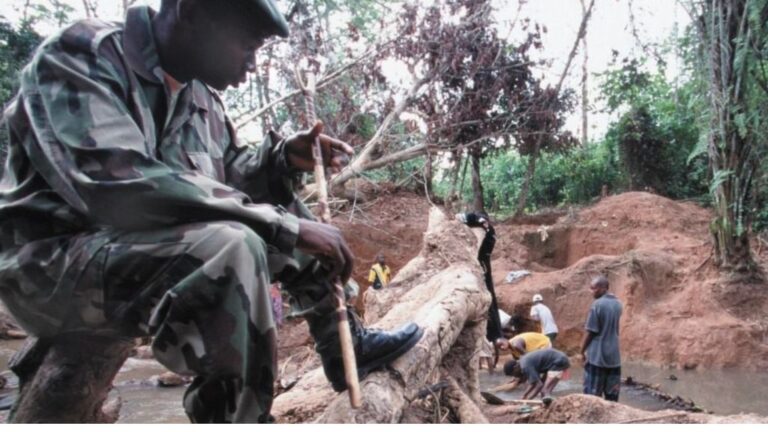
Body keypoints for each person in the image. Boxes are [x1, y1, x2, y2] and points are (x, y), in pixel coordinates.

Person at [0, 0, 423, 423]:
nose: (253, 64)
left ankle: (342, 346)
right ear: (191, 14)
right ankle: (237, 419)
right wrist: (282, 227)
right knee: (236, 245)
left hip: (134, 255)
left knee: (281, 215)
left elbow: (228, 177)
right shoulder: (81, 55)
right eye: (247, 44)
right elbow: (119, 185)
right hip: (49, 269)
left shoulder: (200, 96)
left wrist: (278, 160)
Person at [455, 211, 503, 342]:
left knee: (487, 296)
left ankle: (493, 334)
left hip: (481, 265)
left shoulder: (484, 228)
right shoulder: (489, 231)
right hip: (482, 263)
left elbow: (477, 220)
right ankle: (495, 334)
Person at [580, 275, 623, 402]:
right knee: (612, 397)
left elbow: (591, 331)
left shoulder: (597, 305)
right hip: (614, 356)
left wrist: (582, 351)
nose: (592, 291)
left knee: (592, 396)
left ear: (604, 288)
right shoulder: (618, 304)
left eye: (594, 288)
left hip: (597, 356)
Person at [499, 348, 570, 401]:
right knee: (546, 392)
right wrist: (525, 395)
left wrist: (528, 400)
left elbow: (538, 385)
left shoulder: (525, 366)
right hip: (557, 361)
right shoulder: (523, 361)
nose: (516, 376)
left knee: (544, 391)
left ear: (515, 367)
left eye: (514, 374)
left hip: (558, 362)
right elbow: (533, 383)